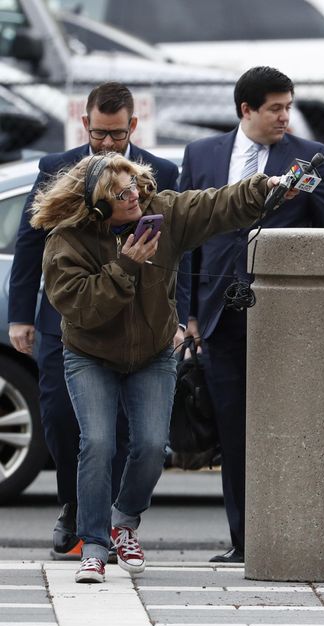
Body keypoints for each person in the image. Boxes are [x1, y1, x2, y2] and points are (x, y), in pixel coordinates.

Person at [29, 152, 299, 583]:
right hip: (90, 354)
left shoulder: (161, 212)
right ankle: (94, 547)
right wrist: (127, 266)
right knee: (97, 443)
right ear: (99, 206)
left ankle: (125, 521)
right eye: (121, 193)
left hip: (152, 352)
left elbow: (215, 204)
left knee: (154, 445)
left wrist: (263, 188)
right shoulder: (67, 241)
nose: (134, 195)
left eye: (134, 184)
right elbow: (82, 309)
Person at [180, 66, 324, 564]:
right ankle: (245, 541)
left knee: (286, 427)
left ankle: (291, 532)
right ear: (246, 110)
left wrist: (307, 194)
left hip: (285, 316)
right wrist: (186, 313)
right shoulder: (202, 154)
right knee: (233, 429)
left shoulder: (308, 158)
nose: (285, 116)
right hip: (218, 316)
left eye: (288, 106)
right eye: (275, 108)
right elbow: (185, 237)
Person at [6, 82, 183, 557]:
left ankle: (105, 526)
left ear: (133, 126)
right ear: (85, 124)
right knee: (63, 421)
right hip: (64, 319)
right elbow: (30, 243)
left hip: (136, 324)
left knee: (125, 434)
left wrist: (181, 318)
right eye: (100, 134)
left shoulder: (159, 172)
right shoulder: (55, 168)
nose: (108, 144)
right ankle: (73, 506)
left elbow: (179, 252)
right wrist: (20, 315)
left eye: (117, 135)